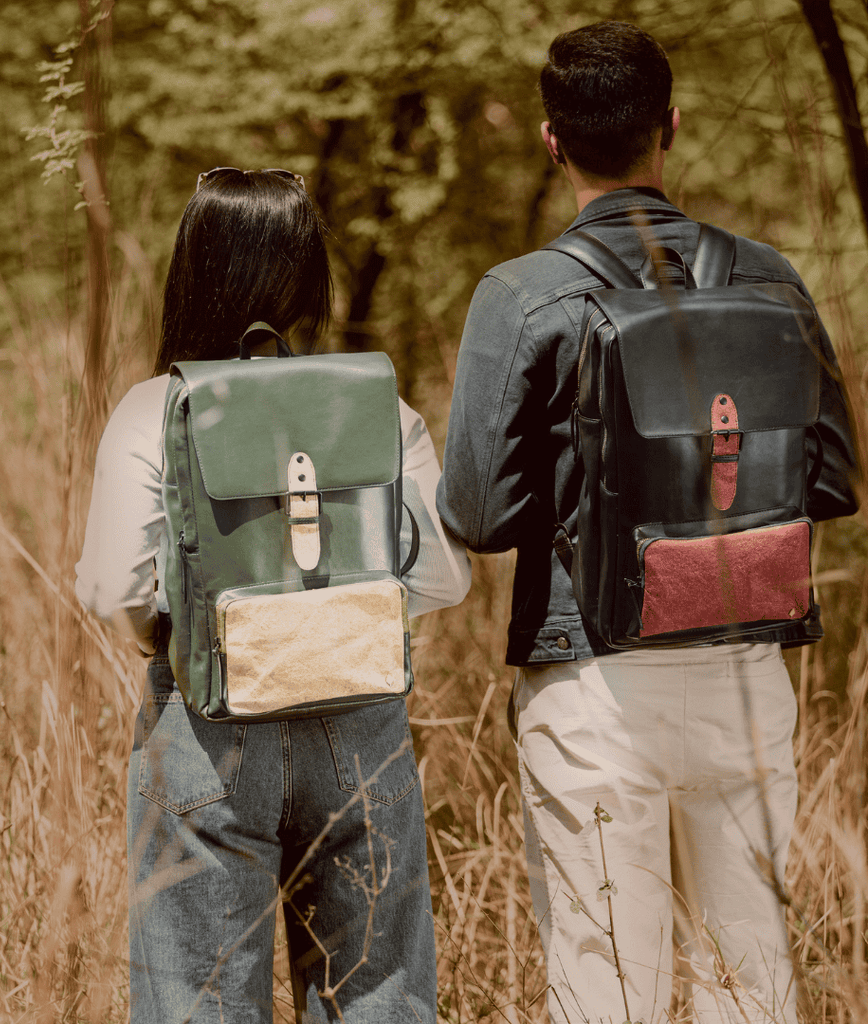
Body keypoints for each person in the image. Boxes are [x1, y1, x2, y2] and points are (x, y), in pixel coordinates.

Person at [437, 22, 858, 1024]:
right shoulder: (770, 278)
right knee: (750, 982)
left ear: (551, 140)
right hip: (744, 670)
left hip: (592, 677)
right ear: (670, 124)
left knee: (608, 986)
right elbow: (835, 479)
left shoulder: (522, 294)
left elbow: (478, 514)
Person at [76, 167, 471, 1024]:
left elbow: (112, 583)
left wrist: (166, 636)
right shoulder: (377, 403)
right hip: (360, 726)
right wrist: (342, 618)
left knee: (202, 1004)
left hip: (206, 728)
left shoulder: (153, 409)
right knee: (379, 999)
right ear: (307, 280)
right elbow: (444, 575)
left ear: (193, 271)